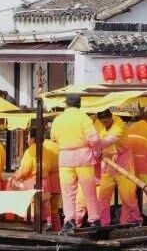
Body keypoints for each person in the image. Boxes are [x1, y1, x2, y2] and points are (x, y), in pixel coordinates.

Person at [52, 94, 116, 231]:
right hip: (83, 158)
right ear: (79, 104)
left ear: (66, 104)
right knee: (89, 190)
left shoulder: (58, 119)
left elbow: (53, 137)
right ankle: (94, 219)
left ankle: (69, 220)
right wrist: (97, 153)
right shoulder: (84, 118)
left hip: (65, 159)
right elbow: (94, 139)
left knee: (68, 192)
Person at [89, 110, 139, 226]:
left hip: (123, 161)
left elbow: (109, 141)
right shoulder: (96, 122)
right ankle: (103, 223)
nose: (105, 123)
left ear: (111, 117)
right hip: (107, 162)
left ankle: (133, 221)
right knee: (103, 196)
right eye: (102, 122)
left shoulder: (119, 124)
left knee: (128, 195)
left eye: (107, 121)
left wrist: (93, 144)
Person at [11, 129, 61, 230]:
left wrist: (15, 177)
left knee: (33, 210)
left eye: (28, 137)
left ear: (33, 138)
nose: (27, 140)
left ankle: (33, 229)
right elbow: (52, 167)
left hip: (33, 183)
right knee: (47, 210)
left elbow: (25, 169)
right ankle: (51, 227)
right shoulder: (47, 150)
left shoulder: (31, 151)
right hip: (46, 183)